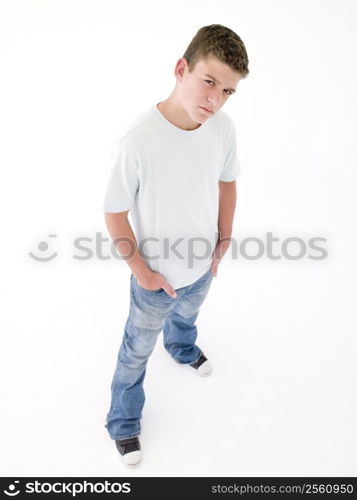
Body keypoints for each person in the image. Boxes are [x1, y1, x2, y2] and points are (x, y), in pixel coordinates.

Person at [102, 23, 249, 468]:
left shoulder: (222, 128)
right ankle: (123, 420)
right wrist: (144, 274)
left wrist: (223, 238)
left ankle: (182, 347)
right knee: (135, 352)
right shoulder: (138, 142)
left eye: (227, 90)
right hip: (155, 280)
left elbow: (228, 182)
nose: (215, 99)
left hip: (202, 267)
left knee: (188, 314)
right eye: (209, 81)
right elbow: (114, 212)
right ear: (181, 68)